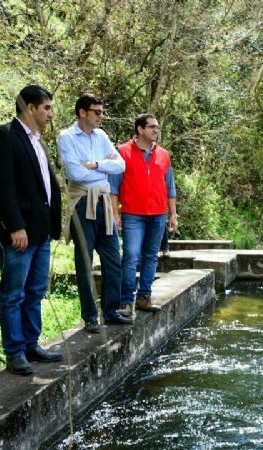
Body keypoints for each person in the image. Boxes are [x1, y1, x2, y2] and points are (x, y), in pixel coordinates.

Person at [0, 85, 63, 376]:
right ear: (30, 108)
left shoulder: (38, 141)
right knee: (12, 294)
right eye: (46, 108)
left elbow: (45, 188)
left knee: (35, 291)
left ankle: (31, 344)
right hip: (18, 233)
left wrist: (54, 226)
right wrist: (15, 226)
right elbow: (3, 186)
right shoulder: (4, 136)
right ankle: (15, 351)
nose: (50, 114)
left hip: (40, 232)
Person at [57, 94, 133, 333]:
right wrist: (100, 167)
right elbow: (75, 173)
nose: (101, 116)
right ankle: (90, 316)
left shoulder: (101, 136)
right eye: (97, 112)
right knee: (84, 261)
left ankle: (110, 312)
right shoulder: (66, 137)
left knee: (113, 258)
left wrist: (96, 165)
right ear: (82, 112)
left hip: (103, 201)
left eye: (102, 112)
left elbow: (120, 165)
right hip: (82, 202)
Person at [110, 113, 179, 317]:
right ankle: (125, 302)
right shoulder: (122, 152)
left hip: (158, 215)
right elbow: (113, 188)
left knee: (151, 257)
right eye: (152, 127)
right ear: (140, 129)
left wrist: (173, 215)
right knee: (131, 256)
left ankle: (144, 297)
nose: (156, 130)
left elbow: (170, 187)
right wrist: (115, 213)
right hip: (133, 214)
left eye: (157, 127)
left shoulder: (164, 154)